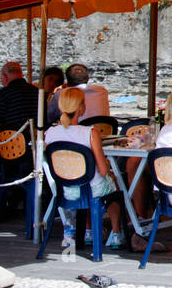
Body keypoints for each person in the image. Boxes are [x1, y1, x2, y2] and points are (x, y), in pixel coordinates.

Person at [44, 87, 125, 249]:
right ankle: (116, 233)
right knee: (113, 185)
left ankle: (88, 230)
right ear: (81, 108)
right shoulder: (90, 133)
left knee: (87, 182)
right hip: (89, 188)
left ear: (61, 107)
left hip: (65, 188)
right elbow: (102, 170)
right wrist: (110, 172)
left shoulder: (50, 133)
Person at [0, 62, 40, 143]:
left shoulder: (4, 93)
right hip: (36, 140)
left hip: (12, 144)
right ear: (21, 74)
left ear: (4, 76)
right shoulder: (37, 91)